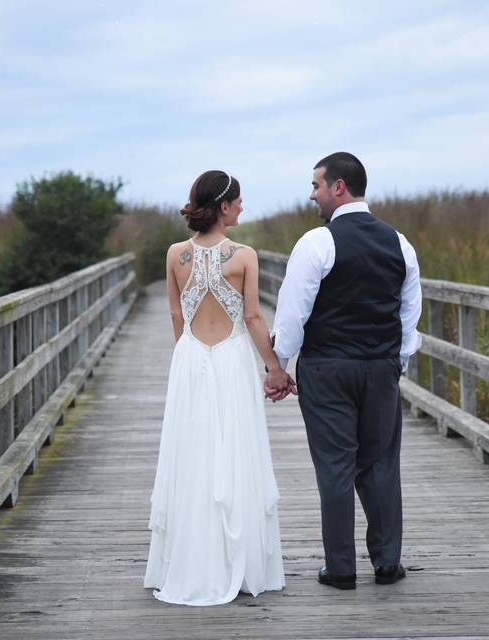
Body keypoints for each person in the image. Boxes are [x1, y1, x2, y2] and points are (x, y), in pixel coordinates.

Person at [265, 152, 422, 590]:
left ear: (338, 187)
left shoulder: (317, 243)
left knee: (335, 466)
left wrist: (279, 368)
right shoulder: (400, 243)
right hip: (380, 369)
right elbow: (409, 314)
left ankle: (341, 569)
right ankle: (388, 563)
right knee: (381, 464)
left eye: (316, 185)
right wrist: (397, 362)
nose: (312, 194)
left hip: (328, 368)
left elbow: (292, 315)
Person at [144, 170, 288, 605]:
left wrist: (189, 356)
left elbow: (175, 316)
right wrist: (274, 368)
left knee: (191, 456)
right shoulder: (244, 255)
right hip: (231, 360)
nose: (243, 207)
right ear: (224, 207)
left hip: (190, 358)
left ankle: (187, 561)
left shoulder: (174, 254)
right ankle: (238, 564)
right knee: (236, 455)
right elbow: (254, 318)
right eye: (239, 201)